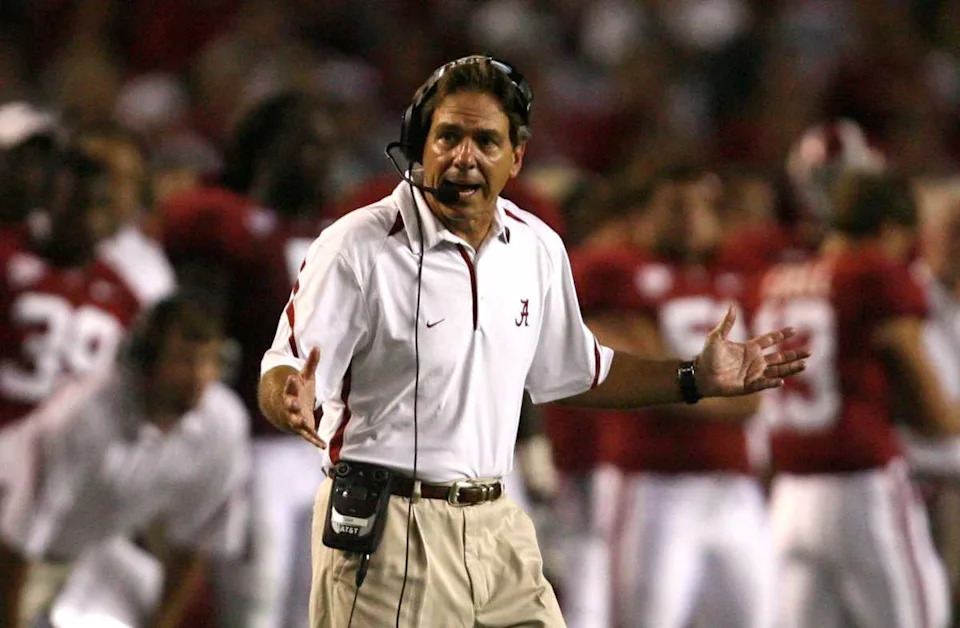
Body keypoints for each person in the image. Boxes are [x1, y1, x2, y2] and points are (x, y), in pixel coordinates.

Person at [258, 55, 808, 627]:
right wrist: (287, 396)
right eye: (447, 136)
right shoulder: (357, 245)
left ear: (516, 157)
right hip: (394, 525)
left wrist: (693, 378)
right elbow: (286, 364)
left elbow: (580, 371)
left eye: (485, 141)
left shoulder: (536, 247)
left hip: (497, 522)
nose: (463, 156)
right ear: (419, 144)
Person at [747, 171, 958, 628]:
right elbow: (932, 413)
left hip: (790, 495)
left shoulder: (777, 279)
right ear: (888, 231)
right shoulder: (875, 274)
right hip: (863, 491)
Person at [160, 90, 337, 628]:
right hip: (251, 439)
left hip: (322, 447)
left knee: (315, 607)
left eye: (324, 147)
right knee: (253, 605)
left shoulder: (330, 229)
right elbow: (199, 324)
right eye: (305, 145)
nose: (318, 160)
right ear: (266, 148)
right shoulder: (223, 220)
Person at [573, 164, 775, 628]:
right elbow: (636, 372)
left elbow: (754, 392)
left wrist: (685, 386)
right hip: (651, 483)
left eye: (701, 205)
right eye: (676, 207)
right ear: (643, 212)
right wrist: (703, 388)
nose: (691, 219)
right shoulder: (615, 269)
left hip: (734, 484)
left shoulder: (735, 269)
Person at [0, 295, 250, 628]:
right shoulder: (82, 417)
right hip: (13, 550)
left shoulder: (222, 423)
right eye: (183, 360)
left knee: (136, 588)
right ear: (145, 358)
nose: (198, 376)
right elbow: (16, 542)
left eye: (208, 360)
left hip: (90, 554)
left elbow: (195, 541)